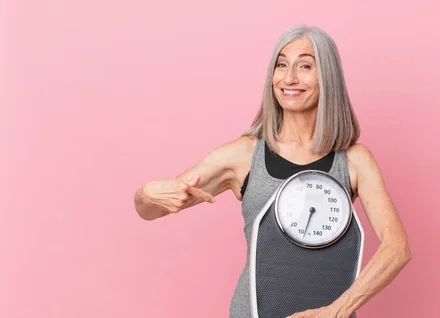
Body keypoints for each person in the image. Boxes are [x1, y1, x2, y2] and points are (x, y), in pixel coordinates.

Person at [133, 24, 412, 318]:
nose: (289, 78)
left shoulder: (354, 161)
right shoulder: (243, 155)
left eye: (305, 65)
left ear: (327, 77)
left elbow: (397, 247)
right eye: (281, 65)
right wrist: (146, 194)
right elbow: (152, 210)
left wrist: (336, 311)